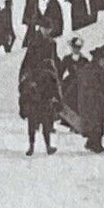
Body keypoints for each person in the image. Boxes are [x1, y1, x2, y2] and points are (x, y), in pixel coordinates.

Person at [18, 28, 63, 156]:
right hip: (35, 81)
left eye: (49, 29)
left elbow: (54, 59)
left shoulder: (52, 43)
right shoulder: (34, 42)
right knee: (32, 116)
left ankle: (48, 146)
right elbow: (27, 61)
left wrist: (54, 72)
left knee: (46, 117)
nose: (47, 31)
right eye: (45, 28)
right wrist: (27, 80)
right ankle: (31, 145)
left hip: (46, 82)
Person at [75, 45, 104, 154]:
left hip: (96, 99)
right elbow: (95, 83)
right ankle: (95, 144)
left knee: (97, 121)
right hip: (93, 99)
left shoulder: (95, 67)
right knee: (96, 122)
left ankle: (92, 143)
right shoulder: (92, 68)